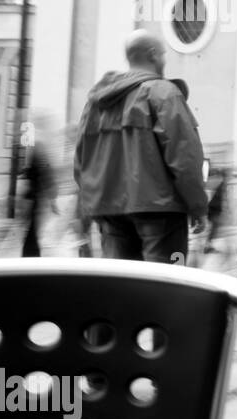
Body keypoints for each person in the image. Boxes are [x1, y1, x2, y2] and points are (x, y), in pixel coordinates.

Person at [74, 30, 208, 263]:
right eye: (163, 55)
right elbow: (184, 158)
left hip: (110, 211)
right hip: (162, 211)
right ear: (153, 54)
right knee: (169, 274)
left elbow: (80, 162)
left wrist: (91, 206)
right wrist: (197, 206)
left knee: (122, 278)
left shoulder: (96, 104)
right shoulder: (164, 94)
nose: (164, 60)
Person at [19, 134, 56, 258]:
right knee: (32, 231)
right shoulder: (40, 156)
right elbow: (45, 177)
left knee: (31, 231)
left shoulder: (36, 155)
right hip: (35, 199)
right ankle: (32, 255)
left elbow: (39, 177)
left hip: (33, 199)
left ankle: (30, 255)